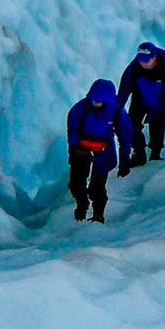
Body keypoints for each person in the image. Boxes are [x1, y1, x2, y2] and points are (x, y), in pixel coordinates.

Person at [65, 78, 137, 224]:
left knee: (96, 188)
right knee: (75, 183)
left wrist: (125, 160)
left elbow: (125, 136)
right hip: (81, 150)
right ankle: (82, 202)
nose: (96, 103)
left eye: (99, 101)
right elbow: (73, 129)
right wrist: (73, 149)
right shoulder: (81, 108)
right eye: (94, 100)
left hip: (103, 152)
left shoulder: (116, 112)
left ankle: (98, 214)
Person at [116, 40, 165, 167]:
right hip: (140, 100)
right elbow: (125, 86)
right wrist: (118, 106)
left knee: (157, 128)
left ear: (154, 58)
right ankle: (139, 153)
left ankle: (155, 153)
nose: (143, 63)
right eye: (141, 60)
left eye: (146, 60)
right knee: (132, 125)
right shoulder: (134, 68)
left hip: (160, 102)